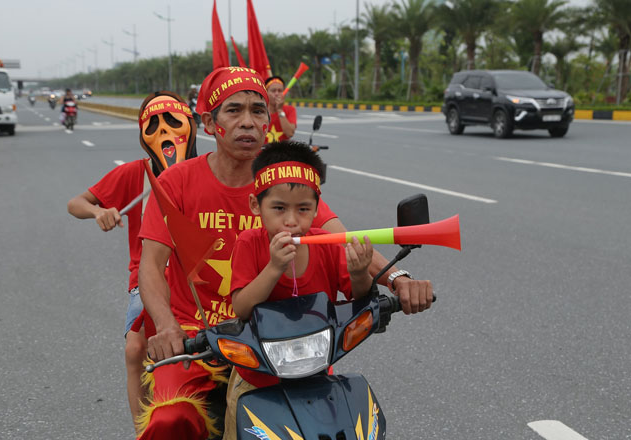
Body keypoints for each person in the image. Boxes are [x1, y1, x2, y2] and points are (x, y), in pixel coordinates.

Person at [137, 66, 433, 440]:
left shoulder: (286, 185)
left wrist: (397, 279)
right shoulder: (176, 183)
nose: (248, 121)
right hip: (200, 338)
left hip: (278, 341)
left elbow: (343, 242)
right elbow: (151, 265)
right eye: (235, 110)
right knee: (170, 423)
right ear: (210, 123)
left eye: (258, 111)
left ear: (268, 121)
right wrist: (167, 327)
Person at [222, 141, 373, 439]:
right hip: (257, 380)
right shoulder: (249, 244)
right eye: (279, 208)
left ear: (317, 208)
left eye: (303, 209)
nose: (291, 221)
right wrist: (273, 268)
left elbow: (359, 296)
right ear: (256, 205)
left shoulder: (326, 247)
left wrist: (359, 273)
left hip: (316, 376)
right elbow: (241, 307)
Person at [67, 91, 197, 433]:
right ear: (142, 137)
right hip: (150, 277)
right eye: (152, 125)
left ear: (193, 125)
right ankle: (145, 430)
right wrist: (99, 211)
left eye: (172, 120)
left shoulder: (210, 169)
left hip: (202, 279)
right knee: (135, 348)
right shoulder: (133, 176)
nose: (163, 131)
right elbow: (75, 203)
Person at [264, 76, 296, 143]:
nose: (277, 94)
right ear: (266, 93)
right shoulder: (260, 111)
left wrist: (280, 110)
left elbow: (290, 133)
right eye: (273, 91)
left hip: (282, 152)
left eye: (280, 91)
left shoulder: (290, 110)